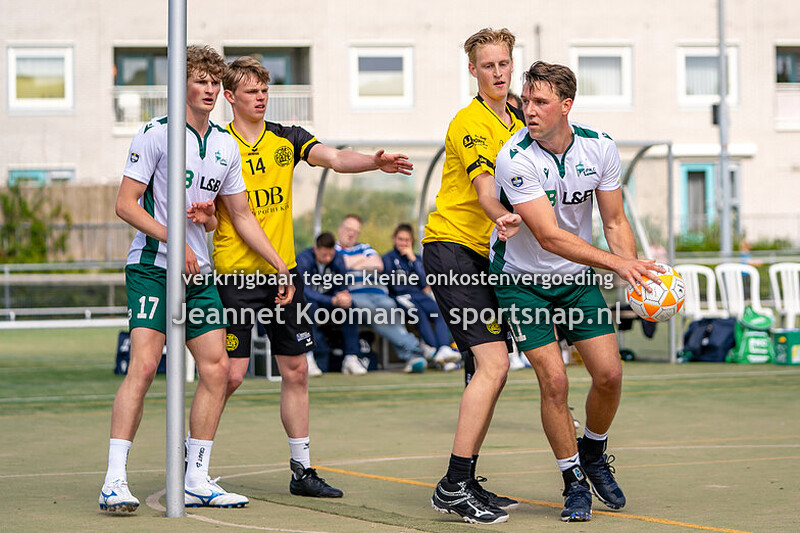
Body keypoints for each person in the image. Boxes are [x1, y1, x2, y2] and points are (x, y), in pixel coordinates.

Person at [100, 45, 292, 512]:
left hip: (198, 275)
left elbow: (240, 216)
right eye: (200, 80)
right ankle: (114, 480)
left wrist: (278, 263)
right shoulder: (156, 134)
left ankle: (196, 478)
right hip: (152, 268)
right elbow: (125, 205)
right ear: (181, 85)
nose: (208, 89)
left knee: (219, 369)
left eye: (213, 82)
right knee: (144, 367)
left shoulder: (226, 145)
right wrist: (177, 239)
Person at [214, 56, 412, 497]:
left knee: (297, 371)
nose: (261, 97)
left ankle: (302, 470)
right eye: (251, 91)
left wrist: (373, 162)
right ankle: (195, 461)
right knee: (229, 375)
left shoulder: (285, 138)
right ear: (230, 97)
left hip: (284, 278)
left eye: (265, 90)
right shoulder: (216, 143)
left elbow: (337, 158)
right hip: (236, 277)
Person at [490, 60, 663, 522]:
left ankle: (593, 451)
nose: (529, 109)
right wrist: (618, 264)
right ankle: (572, 482)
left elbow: (614, 221)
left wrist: (636, 280)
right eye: (526, 100)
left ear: (566, 105)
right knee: (556, 379)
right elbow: (548, 236)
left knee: (610, 374)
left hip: (575, 277)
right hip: (521, 280)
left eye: (540, 102)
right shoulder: (515, 156)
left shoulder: (600, 147)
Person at [423, 28, 525, 524]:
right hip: (453, 250)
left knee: (484, 370)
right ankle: (453, 486)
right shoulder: (470, 122)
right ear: (474, 70)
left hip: (486, 258)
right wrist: (500, 214)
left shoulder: (521, 118)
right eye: (489, 65)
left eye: (504, 63)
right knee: (494, 365)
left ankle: (465, 480)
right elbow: (486, 188)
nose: (499, 72)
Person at [335, 214, 458, 373]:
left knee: (421, 311)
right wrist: (361, 262)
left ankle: (433, 350)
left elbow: (377, 264)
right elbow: (341, 265)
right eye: (348, 229)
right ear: (340, 229)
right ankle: (419, 349)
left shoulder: (366, 248)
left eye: (355, 231)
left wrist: (413, 260)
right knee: (392, 313)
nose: (351, 234)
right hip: (365, 295)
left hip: (386, 295)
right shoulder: (385, 257)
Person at [382, 223, 460, 369]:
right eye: (400, 239)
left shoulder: (416, 258)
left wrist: (413, 259)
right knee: (419, 314)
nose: (403, 243)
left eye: (407, 240)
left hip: (418, 294)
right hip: (401, 296)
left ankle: (443, 349)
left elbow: (425, 284)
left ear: (411, 241)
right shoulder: (388, 258)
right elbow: (391, 284)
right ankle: (436, 353)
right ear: (394, 239)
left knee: (440, 312)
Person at [295, 232, 362, 374]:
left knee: (351, 308)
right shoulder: (303, 259)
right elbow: (304, 291)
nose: (328, 258)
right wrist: (331, 300)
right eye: (324, 255)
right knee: (308, 307)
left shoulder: (338, 259)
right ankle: (308, 357)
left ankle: (351, 358)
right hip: (311, 303)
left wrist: (344, 297)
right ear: (316, 249)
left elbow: (342, 286)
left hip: (330, 303)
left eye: (330, 255)